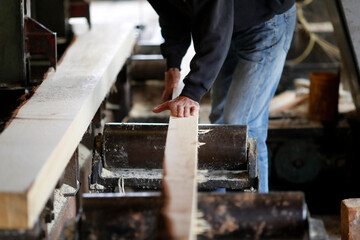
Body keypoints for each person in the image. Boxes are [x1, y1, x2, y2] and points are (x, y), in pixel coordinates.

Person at [148, 0, 296, 192]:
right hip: (226, 27)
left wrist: (192, 92)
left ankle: (255, 216)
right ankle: (219, 209)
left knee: (243, 125)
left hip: (266, 23)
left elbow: (217, 24)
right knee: (220, 125)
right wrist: (173, 64)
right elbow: (173, 15)